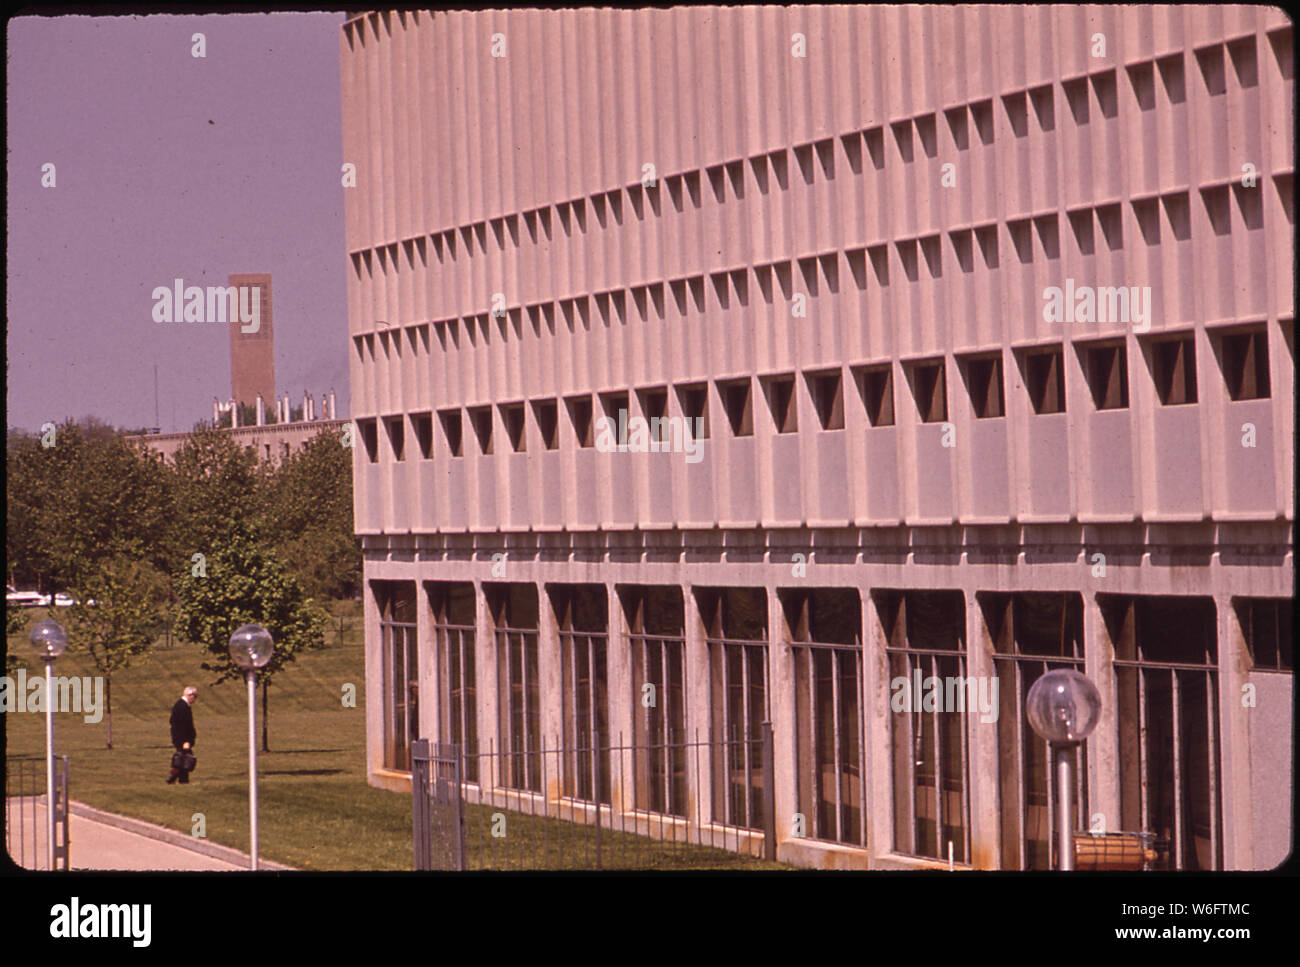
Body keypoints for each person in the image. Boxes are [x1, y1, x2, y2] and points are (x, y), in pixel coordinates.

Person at [166, 686, 198, 784]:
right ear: (190, 695)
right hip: (183, 739)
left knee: (183, 759)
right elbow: (183, 726)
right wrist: (185, 741)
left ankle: (181, 779)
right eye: (195, 696)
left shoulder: (180, 705)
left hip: (180, 738)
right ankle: (175, 778)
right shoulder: (183, 706)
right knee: (185, 759)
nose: (195, 699)